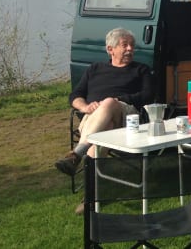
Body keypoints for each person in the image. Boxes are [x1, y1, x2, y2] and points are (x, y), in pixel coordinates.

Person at [54, 28, 153, 213]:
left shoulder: (141, 70)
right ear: (110, 49)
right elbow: (75, 95)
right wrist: (85, 107)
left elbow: (147, 96)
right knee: (104, 130)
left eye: (132, 45)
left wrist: (115, 101)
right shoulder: (95, 69)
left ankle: (77, 153)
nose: (130, 49)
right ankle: (90, 196)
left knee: (108, 103)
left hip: (127, 118)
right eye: (125, 45)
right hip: (95, 121)